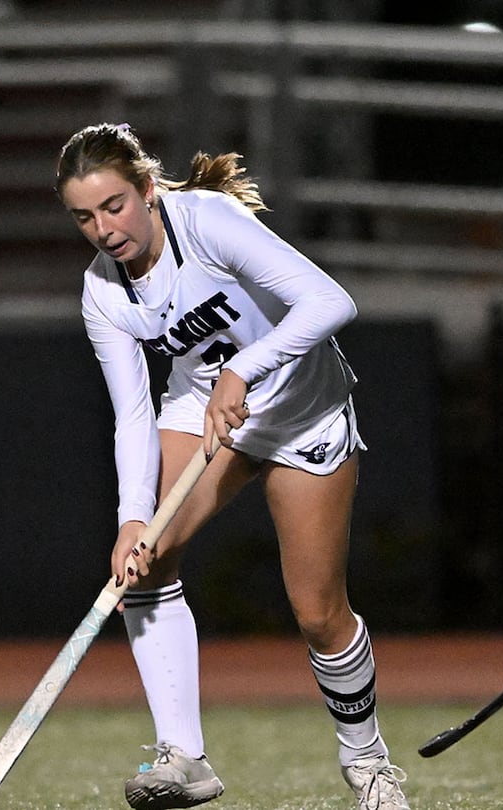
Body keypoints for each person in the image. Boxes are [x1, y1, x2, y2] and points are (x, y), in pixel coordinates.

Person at [53, 123, 408, 810]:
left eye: (115, 206)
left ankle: (367, 761)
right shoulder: (103, 292)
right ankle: (183, 757)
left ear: (148, 191)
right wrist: (132, 519)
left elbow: (333, 302)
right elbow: (132, 417)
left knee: (317, 612)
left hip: (303, 408)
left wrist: (245, 368)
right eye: (85, 216)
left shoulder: (208, 221)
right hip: (201, 408)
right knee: (147, 560)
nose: (103, 229)